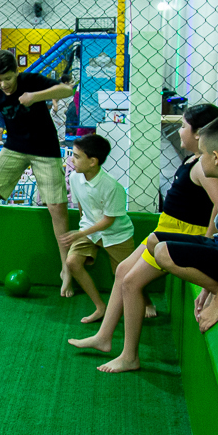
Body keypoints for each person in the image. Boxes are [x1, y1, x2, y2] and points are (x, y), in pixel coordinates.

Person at [76, 115, 218, 373]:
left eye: (202, 155)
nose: (199, 159)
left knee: (163, 252)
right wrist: (205, 287)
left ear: (216, 157)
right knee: (155, 240)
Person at [66, 103, 218, 337]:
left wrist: (208, 241)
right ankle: (104, 337)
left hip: (181, 234)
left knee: (129, 280)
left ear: (199, 133)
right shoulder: (193, 160)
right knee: (123, 272)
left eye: (183, 126)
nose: (179, 130)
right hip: (167, 229)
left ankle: (119, 346)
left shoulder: (202, 165)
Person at [0, 50, 75, 289]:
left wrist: (35, 96)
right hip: (14, 148)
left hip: (45, 149)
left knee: (57, 207)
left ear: (16, 72)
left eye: (8, 79)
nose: (4, 84)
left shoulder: (31, 81)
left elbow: (67, 90)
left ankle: (67, 268)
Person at [59, 135, 137, 323]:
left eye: (77, 156)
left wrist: (80, 233)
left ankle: (147, 303)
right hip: (89, 230)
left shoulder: (112, 186)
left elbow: (109, 221)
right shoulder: (74, 178)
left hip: (117, 234)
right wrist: (83, 228)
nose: (71, 160)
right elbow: (81, 205)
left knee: (128, 276)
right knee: (72, 263)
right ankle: (100, 307)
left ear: (92, 161)